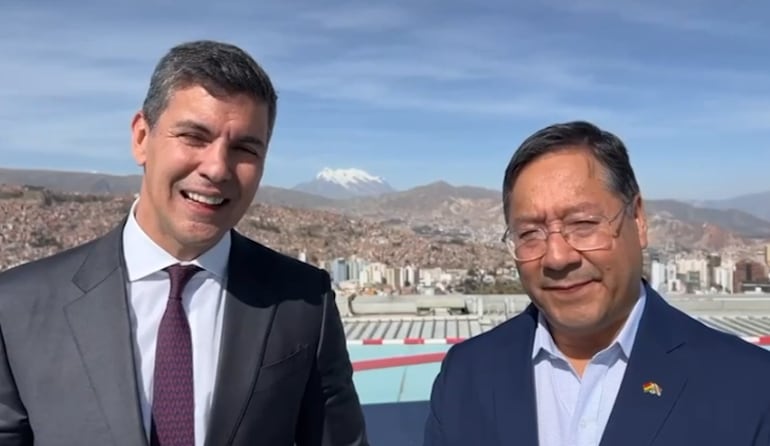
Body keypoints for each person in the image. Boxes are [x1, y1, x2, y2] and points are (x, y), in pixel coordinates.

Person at [0, 40, 368, 446]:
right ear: (142, 137)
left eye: (245, 148)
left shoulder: (304, 302)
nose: (216, 167)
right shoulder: (17, 307)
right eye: (194, 136)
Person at [423, 121, 770, 446]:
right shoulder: (467, 376)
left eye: (584, 223)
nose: (557, 257)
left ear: (638, 219)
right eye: (530, 233)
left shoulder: (749, 386)